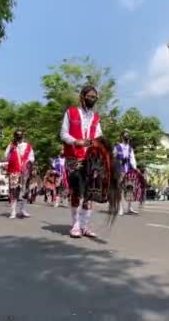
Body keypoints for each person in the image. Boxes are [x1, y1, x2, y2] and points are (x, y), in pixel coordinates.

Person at [60, 85, 103, 238]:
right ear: (82, 97)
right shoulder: (71, 112)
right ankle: (76, 225)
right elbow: (63, 134)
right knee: (77, 192)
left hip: (90, 160)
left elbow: (98, 138)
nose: (92, 99)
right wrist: (75, 141)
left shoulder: (96, 118)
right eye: (90, 96)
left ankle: (85, 225)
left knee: (90, 193)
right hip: (74, 158)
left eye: (94, 97)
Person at [5, 128, 35, 219]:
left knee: (25, 191)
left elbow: (32, 158)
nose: (19, 137)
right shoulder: (11, 145)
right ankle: (13, 211)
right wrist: (11, 148)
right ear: (15, 136)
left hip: (25, 171)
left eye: (20, 135)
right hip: (14, 171)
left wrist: (27, 164)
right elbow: (6, 156)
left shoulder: (28, 146)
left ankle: (22, 209)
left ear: (23, 136)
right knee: (14, 191)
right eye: (17, 135)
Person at [114, 130, 139, 215]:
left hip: (129, 170)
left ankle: (129, 207)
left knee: (130, 188)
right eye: (125, 136)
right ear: (121, 137)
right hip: (120, 170)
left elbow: (133, 159)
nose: (127, 137)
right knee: (119, 189)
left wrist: (135, 168)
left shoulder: (130, 148)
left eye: (128, 136)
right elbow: (112, 158)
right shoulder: (117, 147)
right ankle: (120, 208)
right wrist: (119, 162)